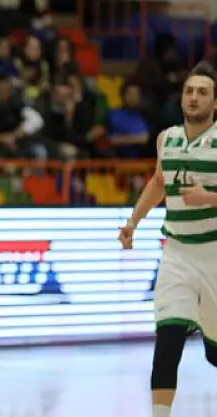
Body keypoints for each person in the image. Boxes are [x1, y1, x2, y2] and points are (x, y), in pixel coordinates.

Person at [118, 61, 217, 417]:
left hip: (214, 255)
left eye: (202, 92)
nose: (194, 97)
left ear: (215, 102)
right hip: (176, 253)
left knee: (214, 353)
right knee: (168, 337)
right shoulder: (167, 138)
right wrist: (133, 221)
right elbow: (159, 182)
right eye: (189, 91)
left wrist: (208, 198)